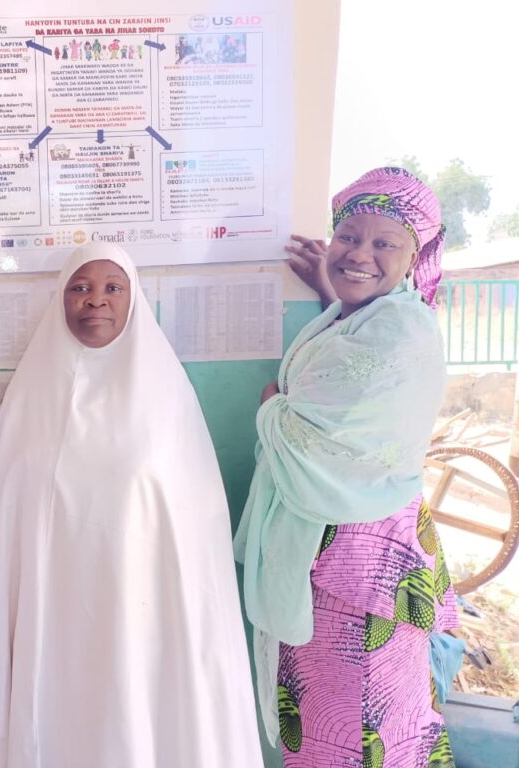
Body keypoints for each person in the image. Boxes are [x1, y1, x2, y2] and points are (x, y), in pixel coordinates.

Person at [0, 242, 264, 767]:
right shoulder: (29, 396)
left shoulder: (166, 397)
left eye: (112, 288)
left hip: (141, 609)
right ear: (62, 298)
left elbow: (191, 530)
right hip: (51, 611)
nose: (95, 301)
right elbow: (9, 517)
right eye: (80, 288)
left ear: (134, 300)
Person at [234, 167, 459, 766]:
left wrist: (272, 409)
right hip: (331, 562)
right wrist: (332, 291)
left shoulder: (402, 331)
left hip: (359, 572)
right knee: (324, 718)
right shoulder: (366, 316)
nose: (360, 254)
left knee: (364, 726)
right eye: (348, 237)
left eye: (384, 243)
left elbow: (323, 441)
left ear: (416, 254)